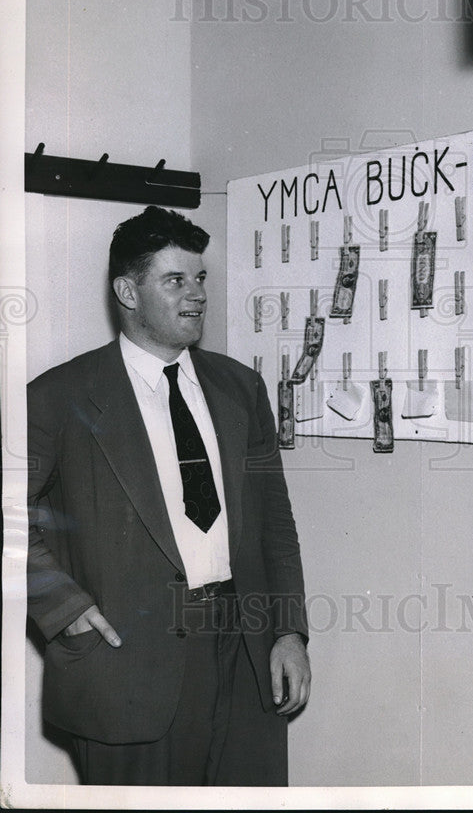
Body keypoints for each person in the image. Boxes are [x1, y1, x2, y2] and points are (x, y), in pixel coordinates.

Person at [27, 205, 310, 786]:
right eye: (175, 280)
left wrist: (288, 630)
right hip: (126, 668)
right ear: (128, 291)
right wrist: (65, 610)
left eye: (200, 278)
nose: (197, 295)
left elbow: (274, 519)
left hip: (244, 653)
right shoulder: (61, 396)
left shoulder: (240, 387)